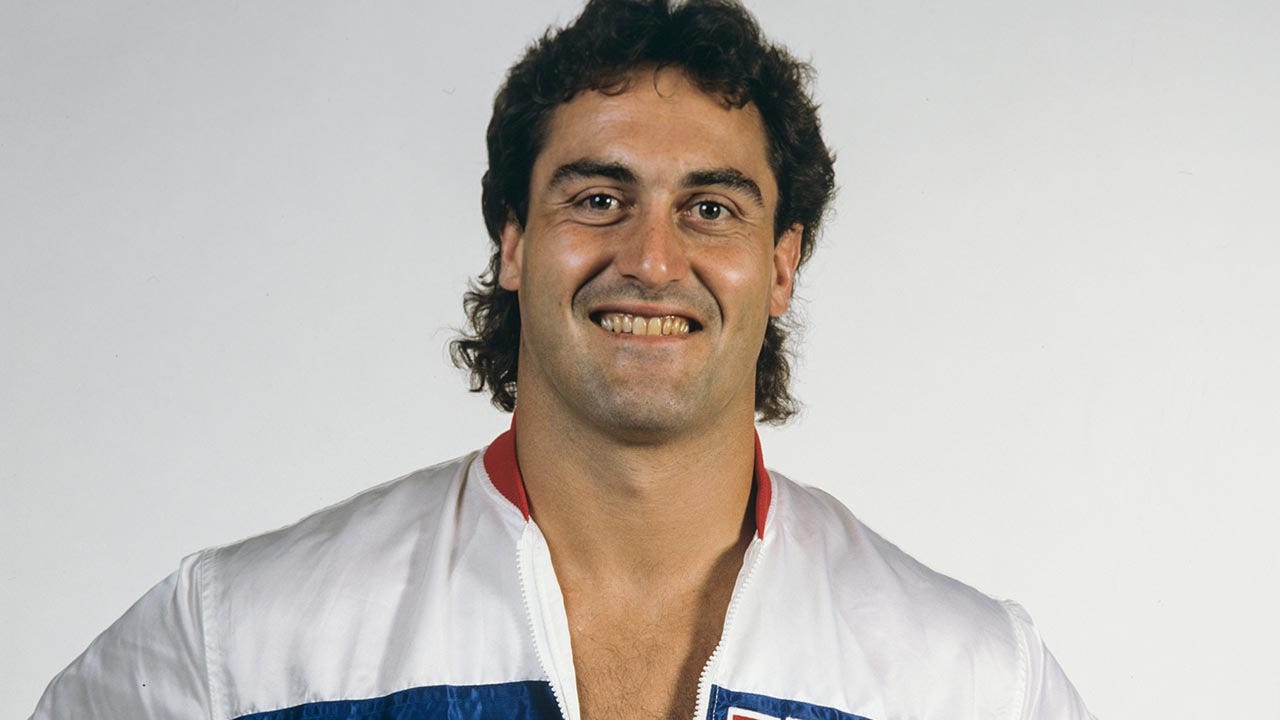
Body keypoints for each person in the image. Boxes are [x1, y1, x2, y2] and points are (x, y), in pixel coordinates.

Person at [31, 1, 1095, 719]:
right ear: (513, 243)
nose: (650, 259)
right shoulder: (244, 647)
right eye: (596, 198)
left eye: (710, 209)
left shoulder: (969, 684)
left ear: (780, 266)